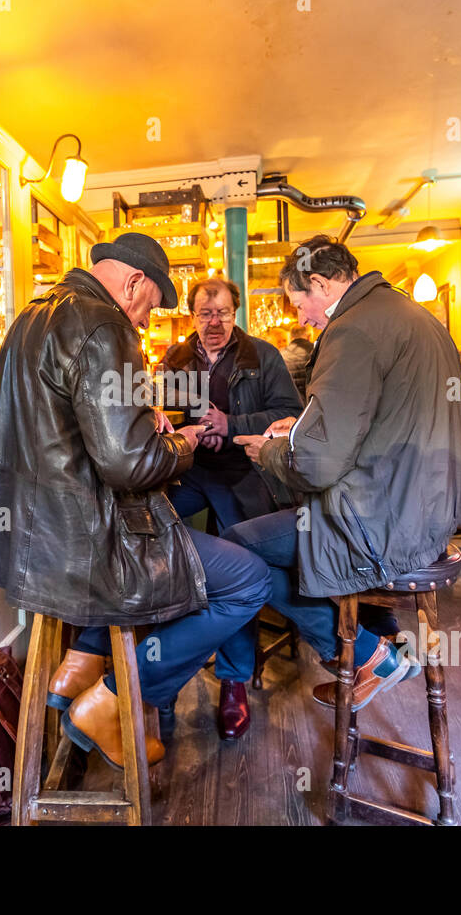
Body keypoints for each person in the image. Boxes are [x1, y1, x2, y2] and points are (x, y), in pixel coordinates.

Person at [0, 232, 271, 768]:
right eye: (148, 306)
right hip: (92, 546)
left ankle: (83, 657)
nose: (145, 321)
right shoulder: (104, 325)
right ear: (132, 282)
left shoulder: (34, 315)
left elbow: (69, 428)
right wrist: (183, 442)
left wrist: (142, 418)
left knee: (192, 551)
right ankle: (114, 699)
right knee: (248, 580)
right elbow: (129, 466)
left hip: (40, 546)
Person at [228, 236, 461, 712]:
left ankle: (368, 656)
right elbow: (381, 421)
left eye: (299, 304)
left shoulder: (352, 329)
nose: (301, 319)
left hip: (383, 520)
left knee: (238, 550)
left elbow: (317, 466)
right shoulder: (407, 313)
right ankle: (389, 643)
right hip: (430, 509)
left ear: (319, 283)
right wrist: (302, 427)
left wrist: (272, 452)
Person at [159, 277, 302, 739]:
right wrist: (167, 418)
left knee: (242, 570)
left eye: (222, 313)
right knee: (150, 537)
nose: (214, 322)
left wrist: (233, 423)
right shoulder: (176, 359)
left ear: (235, 313)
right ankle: (161, 667)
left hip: (245, 472)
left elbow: (289, 412)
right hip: (190, 470)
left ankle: (234, 682)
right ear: (193, 316)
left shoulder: (262, 355)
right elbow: (163, 412)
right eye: (205, 313)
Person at [280, 324, 314, 399]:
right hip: (312, 404)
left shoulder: (281, 354)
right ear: (309, 336)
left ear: (291, 337)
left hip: (291, 403)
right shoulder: (316, 351)